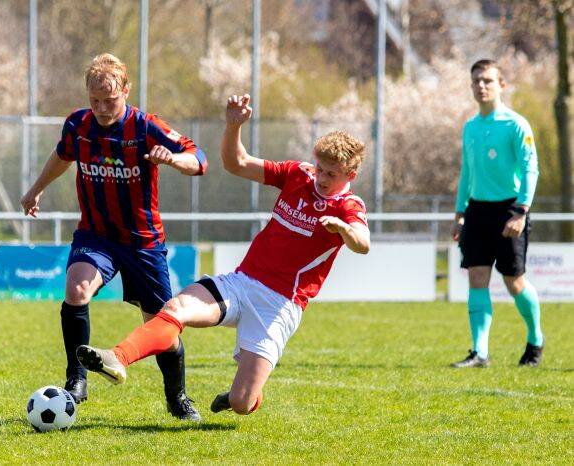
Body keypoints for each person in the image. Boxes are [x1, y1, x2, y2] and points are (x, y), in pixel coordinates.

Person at [75, 93, 370, 415]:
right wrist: (233, 126)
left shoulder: (349, 206)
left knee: (244, 403)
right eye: (320, 169)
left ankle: (236, 396)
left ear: (349, 176)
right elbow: (236, 163)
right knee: (177, 307)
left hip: (279, 305)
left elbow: (362, 243)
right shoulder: (297, 174)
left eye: (331, 174)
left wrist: (343, 228)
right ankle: (117, 356)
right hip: (241, 283)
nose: (322, 178)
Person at [20, 53, 207, 421]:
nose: (102, 108)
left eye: (110, 100)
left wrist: (171, 160)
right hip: (96, 234)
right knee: (76, 290)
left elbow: (198, 159)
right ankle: (77, 380)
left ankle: (178, 397)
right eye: (95, 100)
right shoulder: (78, 124)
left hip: (142, 241)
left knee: (162, 326)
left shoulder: (145, 126)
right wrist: (36, 188)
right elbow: (63, 155)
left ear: (126, 90)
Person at [451, 59, 543, 368]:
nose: (481, 86)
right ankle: (480, 352)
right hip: (477, 210)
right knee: (477, 277)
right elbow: (467, 171)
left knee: (514, 282)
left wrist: (521, 211)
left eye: (488, 80)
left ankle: (535, 339)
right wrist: (460, 213)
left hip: (509, 208)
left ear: (501, 85)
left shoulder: (516, 124)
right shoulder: (470, 127)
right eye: (476, 80)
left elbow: (531, 168)